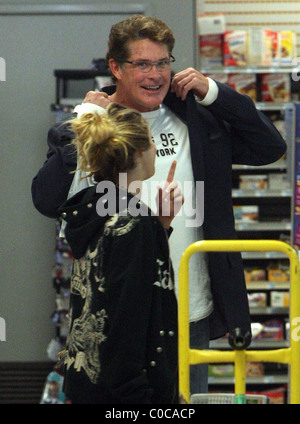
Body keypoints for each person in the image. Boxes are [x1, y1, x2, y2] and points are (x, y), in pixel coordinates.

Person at [32, 14, 287, 395]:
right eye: (143, 64)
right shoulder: (92, 125)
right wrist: (84, 121)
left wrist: (215, 91)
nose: (155, 74)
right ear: (116, 67)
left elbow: (271, 147)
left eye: (163, 62)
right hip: (115, 315)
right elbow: (46, 200)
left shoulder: (195, 118)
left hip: (189, 309)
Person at [58, 102, 182, 404]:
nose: (156, 149)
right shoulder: (134, 222)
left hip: (87, 383)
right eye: (151, 141)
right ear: (138, 153)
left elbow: (110, 281)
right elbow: (127, 325)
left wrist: (161, 225)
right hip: (125, 395)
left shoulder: (94, 206)